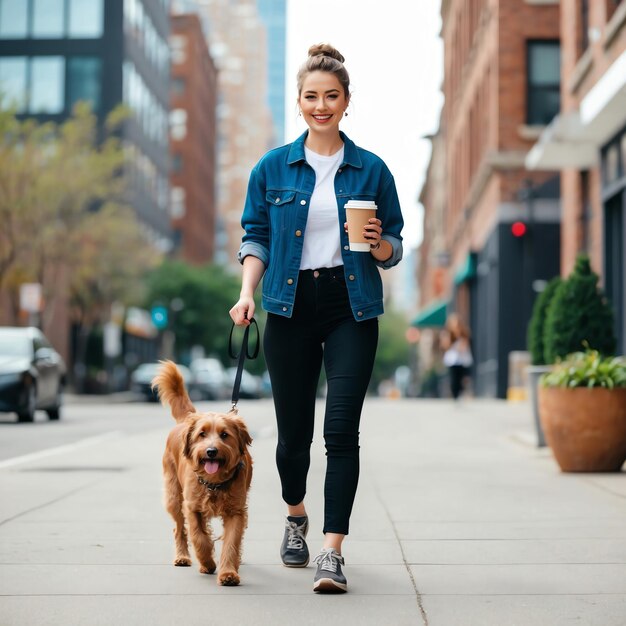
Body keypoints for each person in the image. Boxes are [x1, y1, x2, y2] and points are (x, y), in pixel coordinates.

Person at [229, 43, 404, 594]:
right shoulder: (272, 167)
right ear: (300, 103)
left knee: (341, 432)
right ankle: (296, 516)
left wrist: (379, 248)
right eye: (312, 96)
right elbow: (255, 235)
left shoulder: (372, 169)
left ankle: (332, 551)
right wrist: (246, 293)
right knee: (293, 438)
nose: (321, 105)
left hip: (351, 307)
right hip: (287, 305)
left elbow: (395, 241)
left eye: (332, 96)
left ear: (347, 101)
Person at [441, 313, 473, 400]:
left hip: (462, 359)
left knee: (461, 378)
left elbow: (465, 346)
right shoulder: (448, 334)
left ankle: (460, 394)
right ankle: (455, 395)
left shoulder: (464, 333)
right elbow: (445, 346)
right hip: (452, 360)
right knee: (454, 378)